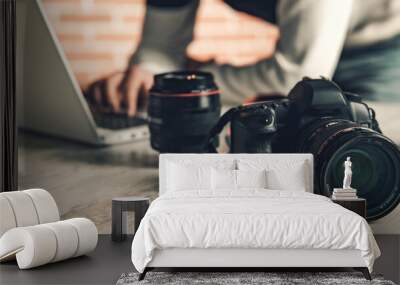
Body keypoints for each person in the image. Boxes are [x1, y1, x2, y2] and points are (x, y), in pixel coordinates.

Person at [85, 0, 400, 117]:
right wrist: (145, 77)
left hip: (376, 51)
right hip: (313, 50)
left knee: (361, 159)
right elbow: (159, 52)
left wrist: (187, 82)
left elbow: (295, 76)